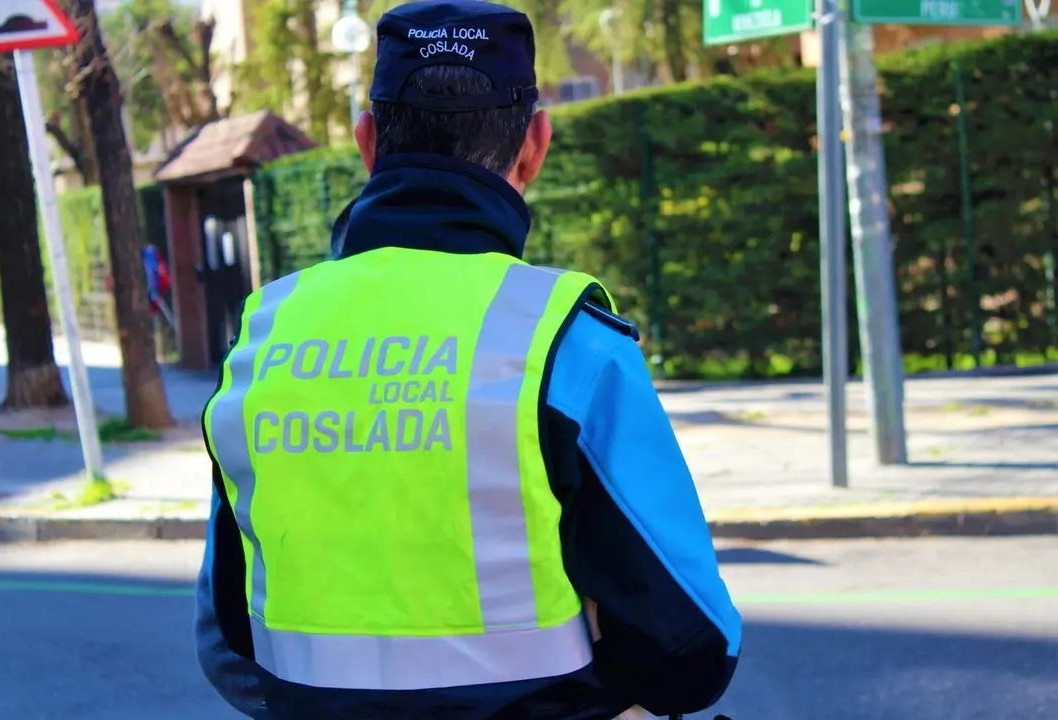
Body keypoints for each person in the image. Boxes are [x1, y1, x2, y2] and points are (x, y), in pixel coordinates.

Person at [195, 2, 741, 719]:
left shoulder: (265, 337)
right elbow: (693, 648)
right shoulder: (569, 340)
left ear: (367, 143)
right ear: (534, 145)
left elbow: (228, 638)